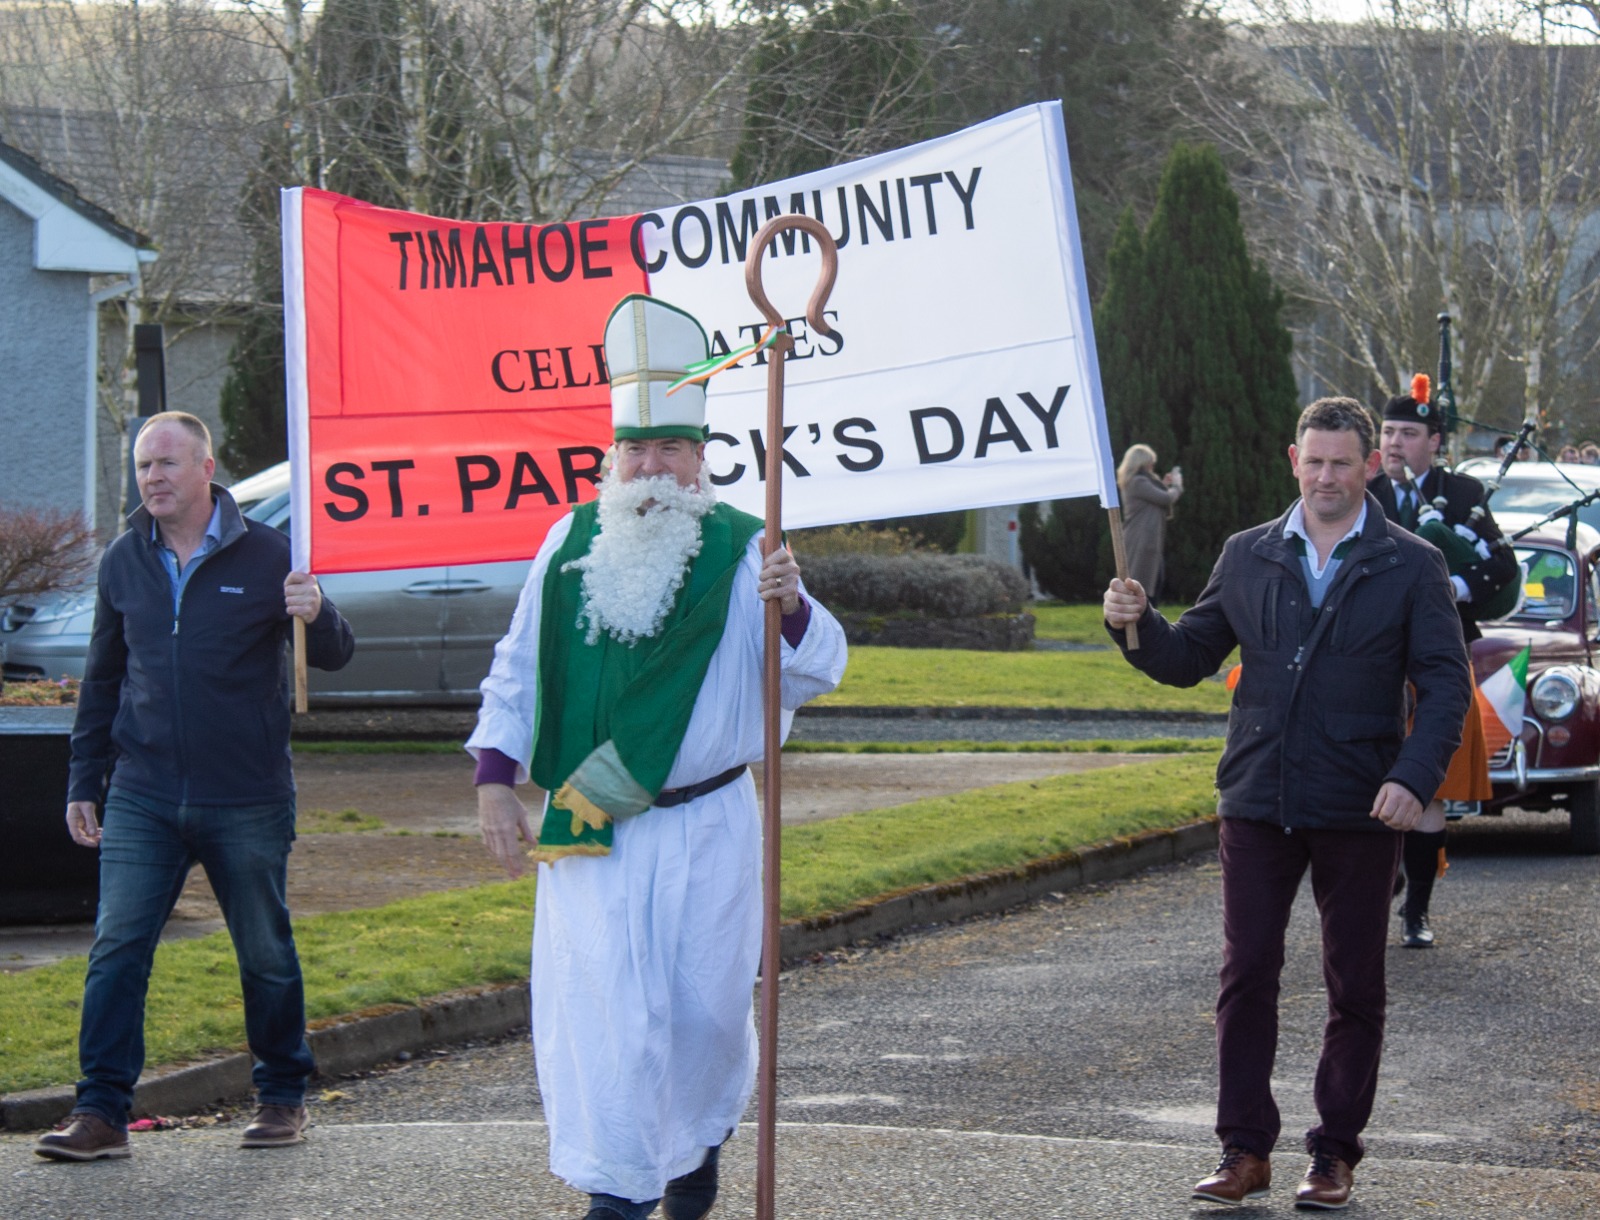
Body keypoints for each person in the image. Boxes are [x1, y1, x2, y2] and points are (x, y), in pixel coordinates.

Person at [467, 295, 848, 1220]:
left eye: (672, 450)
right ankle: (619, 1192)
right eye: (637, 450)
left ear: (701, 461)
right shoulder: (569, 542)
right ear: (613, 459)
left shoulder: (747, 547)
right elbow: (517, 666)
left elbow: (821, 667)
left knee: (705, 1018)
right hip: (594, 807)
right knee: (602, 1011)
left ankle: (697, 1147)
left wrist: (789, 605)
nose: (653, 467)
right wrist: (493, 780)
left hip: (712, 820)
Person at [1103, 397, 1470, 1210]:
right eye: (1316, 461)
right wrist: (1129, 623)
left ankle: (1334, 1154)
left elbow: (1447, 685)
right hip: (1258, 798)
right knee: (1245, 975)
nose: (1328, 476)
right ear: (1292, 461)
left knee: (1355, 986)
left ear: (1369, 465)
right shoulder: (1248, 554)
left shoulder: (1412, 564)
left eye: (1343, 462)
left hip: (1362, 807)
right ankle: (1244, 1151)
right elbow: (1189, 655)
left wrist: (1413, 779)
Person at [35, 412, 355, 1162]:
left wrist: (321, 611)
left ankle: (281, 1096)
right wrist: (86, 779)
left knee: (264, 951)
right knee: (117, 949)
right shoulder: (123, 561)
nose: (152, 478)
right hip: (143, 792)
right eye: (145, 466)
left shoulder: (275, 553)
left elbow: (336, 654)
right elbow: (103, 681)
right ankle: (101, 1112)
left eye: (167, 464)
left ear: (207, 469)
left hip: (246, 795)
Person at [1370, 378, 1518, 948]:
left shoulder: (1462, 493)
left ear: (1434, 440)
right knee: (1372, 778)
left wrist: (1450, 586)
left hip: (1440, 657)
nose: (1396, 443)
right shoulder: (1367, 490)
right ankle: (1388, 882)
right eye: (1388, 432)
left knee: (1431, 786)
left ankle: (1417, 915)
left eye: (1409, 433)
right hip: (1375, 657)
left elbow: (1500, 568)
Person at [1117, 443, 1184, 603]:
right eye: (1150, 461)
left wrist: (1164, 484)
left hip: (1143, 538)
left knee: (1151, 581)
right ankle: (1142, 622)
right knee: (1145, 585)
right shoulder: (1138, 482)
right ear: (1142, 462)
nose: (1152, 465)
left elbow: (1153, 496)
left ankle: (1145, 621)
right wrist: (1177, 486)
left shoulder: (1135, 481)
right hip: (1142, 539)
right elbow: (1165, 498)